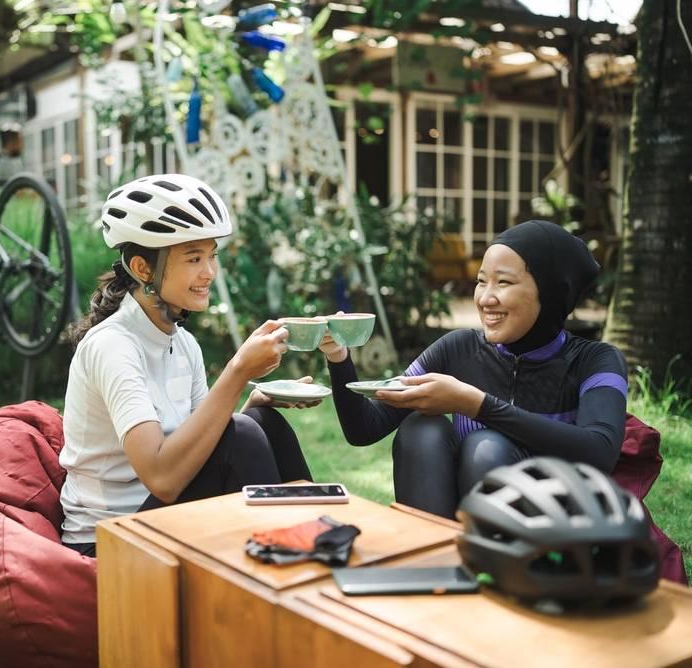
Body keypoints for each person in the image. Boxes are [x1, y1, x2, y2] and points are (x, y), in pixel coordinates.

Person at [59, 174, 315, 557]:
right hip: (107, 539)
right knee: (244, 433)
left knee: (263, 424)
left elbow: (203, 449)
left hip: (156, 515)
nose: (209, 272)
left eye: (212, 255)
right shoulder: (113, 346)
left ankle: (314, 538)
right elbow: (163, 477)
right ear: (143, 268)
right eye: (194, 258)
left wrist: (251, 403)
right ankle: (295, 558)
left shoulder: (183, 343)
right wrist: (238, 371)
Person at [320, 220, 627, 519]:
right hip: (460, 521)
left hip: (557, 522)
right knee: (420, 430)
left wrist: (475, 405)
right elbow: (364, 428)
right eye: (482, 281)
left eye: (503, 282)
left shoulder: (595, 360)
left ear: (550, 293)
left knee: (487, 446)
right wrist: (338, 356)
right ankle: (435, 559)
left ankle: (496, 567)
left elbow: (599, 452)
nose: (485, 298)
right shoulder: (458, 349)